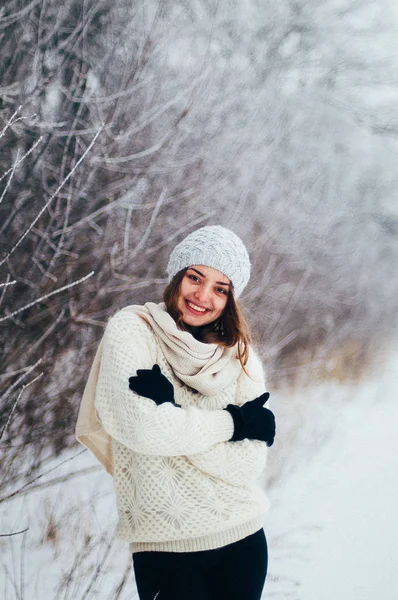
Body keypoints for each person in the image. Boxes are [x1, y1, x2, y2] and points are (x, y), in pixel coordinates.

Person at [76, 225, 276, 600]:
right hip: (165, 549)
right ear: (177, 276)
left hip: (242, 538)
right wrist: (234, 423)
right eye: (195, 278)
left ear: (231, 299)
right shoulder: (133, 331)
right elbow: (140, 428)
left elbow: (246, 466)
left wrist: (172, 413)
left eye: (221, 288)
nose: (202, 296)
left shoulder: (241, 355)